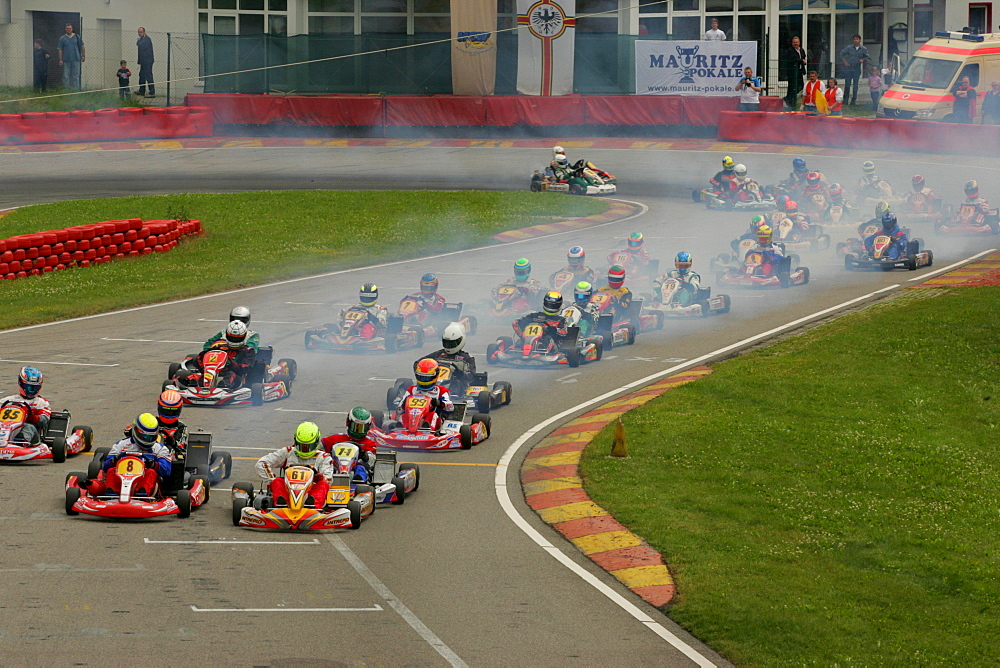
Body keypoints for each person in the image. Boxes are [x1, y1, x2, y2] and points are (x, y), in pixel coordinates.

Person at [79, 414, 171, 496]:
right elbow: (105, 467)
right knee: (111, 470)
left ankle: (142, 494)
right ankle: (112, 493)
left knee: (151, 472)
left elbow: (166, 470)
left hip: (145, 481)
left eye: (151, 437)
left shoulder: (160, 448)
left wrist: (154, 465)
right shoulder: (121, 445)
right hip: (122, 478)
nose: (147, 440)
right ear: (135, 430)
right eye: (144, 436)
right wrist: (113, 461)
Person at [256, 422, 333, 508]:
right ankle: (281, 504)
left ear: (316, 443)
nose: (304, 450)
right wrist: (271, 479)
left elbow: (328, 480)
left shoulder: (323, 457)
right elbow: (262, 463)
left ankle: (312, 505)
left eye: (308, 446)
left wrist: (319, 477)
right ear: (296, 441)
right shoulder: (288, 452)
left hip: (310, 490)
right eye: (301, 446)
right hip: (288, 490)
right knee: (277, 481)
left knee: (323, 484)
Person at [187, 321, 256, 389]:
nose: (234, 340)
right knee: (200, 375)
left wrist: (231, 364)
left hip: (236, 376)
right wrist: (204, 367)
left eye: (237, 338)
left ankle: (223, 386)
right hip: (211, 372)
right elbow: (202, 356)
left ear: (243, 337)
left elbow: (245, 368)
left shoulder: (248, 351)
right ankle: (194, 383)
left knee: (230, 375)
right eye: (232, 337)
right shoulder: (220, 346)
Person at [395, 359, 455, 432]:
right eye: (421, 377)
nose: (424, 380)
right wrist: (404, 404)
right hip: (411, 417)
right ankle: (400, 429)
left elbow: (451, 407)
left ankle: (426, 428)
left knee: (432, 415)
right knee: (404, 416)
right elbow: (399, 410)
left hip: (433, 420)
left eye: (427, 377)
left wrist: (439, 403)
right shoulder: (411, 390)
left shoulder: (441, 391)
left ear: (435, 376)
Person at [0, 367, 51, 446]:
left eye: (34, 388)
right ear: (21, 384)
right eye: (28, 387)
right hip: (6, 428)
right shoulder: (7, 400)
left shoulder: (41, 402)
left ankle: (21, 443)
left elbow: (45, 420)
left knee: (28, 427)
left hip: (32, 434)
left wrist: (33, 417)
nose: (31, 391)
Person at [321, 407, 379, 475]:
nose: (358, 431)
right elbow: (319, 452)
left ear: (368, 427)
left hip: (357, 474)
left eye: (362, 428)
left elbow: (371, 463)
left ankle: (359, 478)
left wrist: (364, 455)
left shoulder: (369, 444)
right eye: (355, 427)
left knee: (360, 469)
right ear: (348, 423)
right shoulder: (335, 439)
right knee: (328, 467)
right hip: (335, 470)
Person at [839, 34, 870, 106]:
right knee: (847, 84)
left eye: (857, 39)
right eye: (854, 39)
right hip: (849, 67)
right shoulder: (849, 47)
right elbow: (841, 54)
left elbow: (867, 56)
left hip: (857, 67)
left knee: (855, 85)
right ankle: (845, 100)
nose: (855, 40)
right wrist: (845, 62)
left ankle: (853, 100)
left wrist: (863, 59)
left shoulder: (863, 48)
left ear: (860, 40)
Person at [156, 389, 188, 455]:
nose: (169, 414)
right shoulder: (152, 422)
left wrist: (173, 442)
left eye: (172, 412)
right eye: (166, 411)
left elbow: (182, 447)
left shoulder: (181, 427)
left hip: (169, 456)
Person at [57, 23, 85, 90]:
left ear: (72, 29)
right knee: (66, 76)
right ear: (65, 29)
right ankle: (66, 90)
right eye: (67, 28)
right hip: (66, 60)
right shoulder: (62, 38)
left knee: (76, 76)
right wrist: (60, 59)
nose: (69, 30)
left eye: (70, 28)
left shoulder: (77, 37)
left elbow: (82, 46)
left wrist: (83, 55)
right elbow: (59, 49)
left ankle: (76, 90)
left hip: (76, 59)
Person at [783, 36, 808, 110]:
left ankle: (794, 100)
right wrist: (801, 61)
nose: (795, 43)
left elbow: (803, 57)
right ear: (792, 43)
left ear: (799, 43)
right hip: (792, 71)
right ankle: (789, 101)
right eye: (794, 42)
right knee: (792, 87)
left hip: (799, 71)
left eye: (796, 42)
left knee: (801, 86)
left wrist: (803, 62)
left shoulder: (802, 50)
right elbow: (793, 59)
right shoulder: (790, 50)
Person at [136, 27, 156, 97]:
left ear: (144, 32)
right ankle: (142, 90)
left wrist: (138, 41)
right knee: (141, 75)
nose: (139, 33)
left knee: (148, 76)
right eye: (138, 32)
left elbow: (140, 45)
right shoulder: (142, 39)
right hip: (143, 61)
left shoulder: (147, 39)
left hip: (147, 61)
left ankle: (152, 92)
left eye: (141, 32)